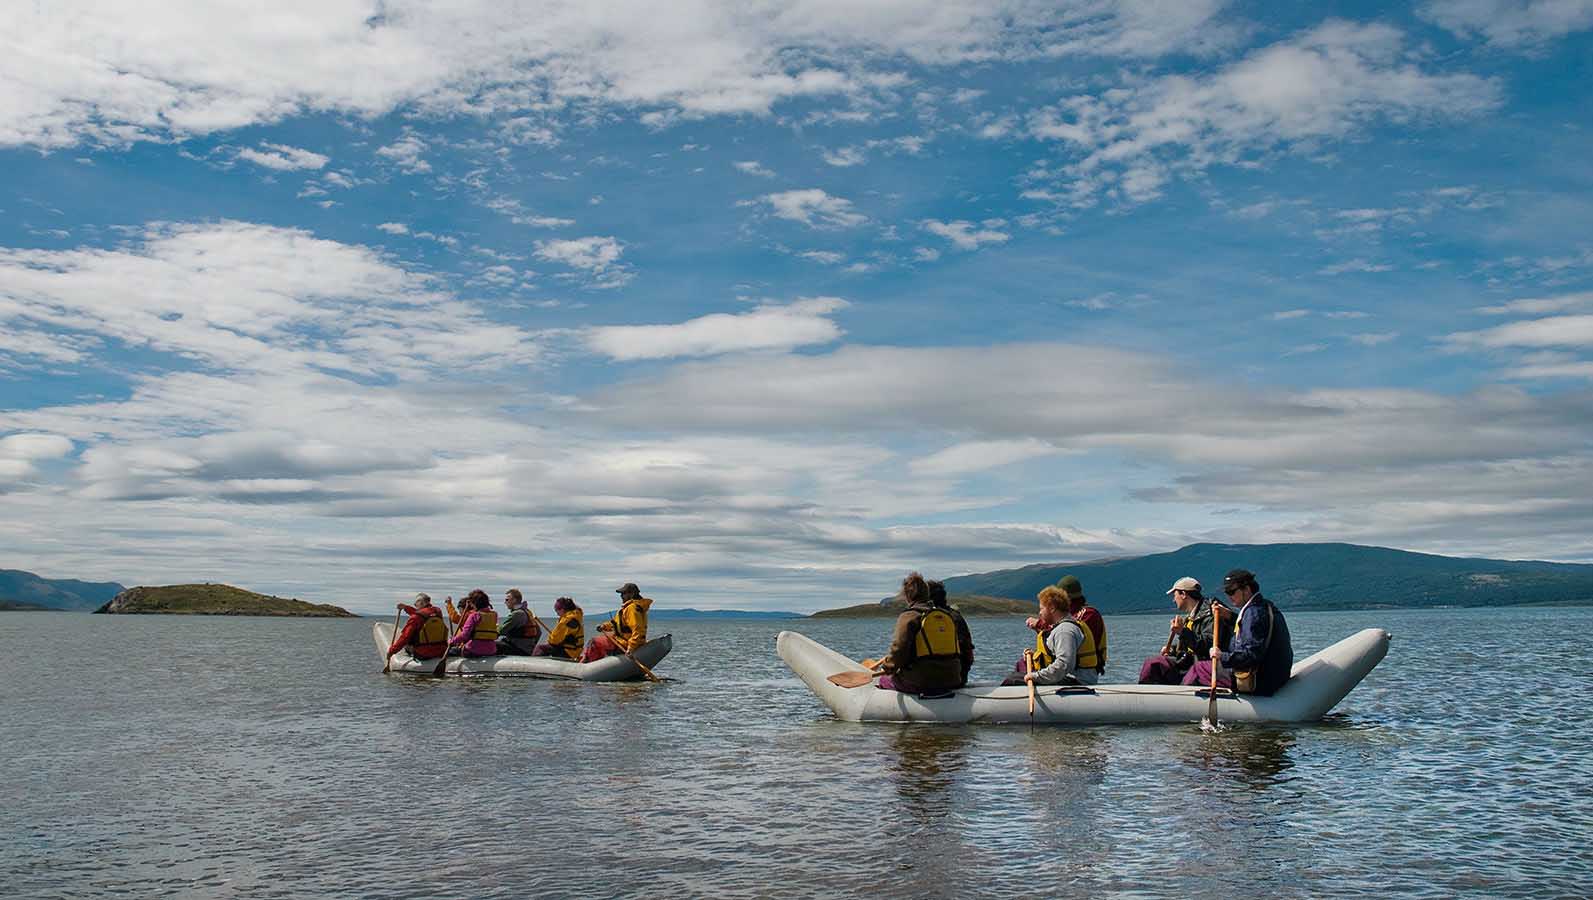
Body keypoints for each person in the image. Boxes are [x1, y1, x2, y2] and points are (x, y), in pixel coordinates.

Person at [1182, 569, 1293, 695]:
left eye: (1232, 592)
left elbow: (1251, 655)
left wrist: (1221, 656)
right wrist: (1229, 616)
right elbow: (1250, 630)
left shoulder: (1253, 613)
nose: (1229, 597)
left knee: (1199, 668)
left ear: (1246, 589)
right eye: (1226, 592)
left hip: (1260, 681)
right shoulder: (1263, 606)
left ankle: (1182, 703)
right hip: (1276, 676)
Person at [877, 572, 966, 695]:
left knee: (883, 680)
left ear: (908, 596)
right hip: (952, 680)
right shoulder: (944, 615)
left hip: (922, 682)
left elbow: (899, 647)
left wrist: (888, 667)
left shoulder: (909, 616)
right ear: (926, 593)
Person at [1139, 577, 1233, 684]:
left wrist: (1182, 632)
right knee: (1154, 663)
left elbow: (1207, 647)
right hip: (1189, 663)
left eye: (1175, 595)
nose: (1174, 600)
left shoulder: (1212, 613)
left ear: (1183, 594)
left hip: (1204, 667)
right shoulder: (1191, 616)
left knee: (1192, 674)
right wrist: (1173, 651)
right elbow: (1190, 647)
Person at [1014, 585, 1099, 686]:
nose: (1039, 613)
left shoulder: (1064, 631)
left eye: (1041, 609)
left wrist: (1036, 677)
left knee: (1012, 680)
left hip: (1076, 681)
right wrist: (1035, 656)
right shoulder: (1061, 628)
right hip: (1067, 677)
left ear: (1052, 608)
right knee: (1020, 666)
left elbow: (1064, 664)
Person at [581, 582, 652, 662]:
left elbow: (638, 630)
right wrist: (603, 626)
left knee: (593, 642)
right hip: (625, 641)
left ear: (631, 594)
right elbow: (615, 623)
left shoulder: (631, 609)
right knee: (603, 640)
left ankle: (585, 664)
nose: (621, 596)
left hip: (625, 644)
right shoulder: (632, 607)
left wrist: (631, 648)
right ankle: (595, 664)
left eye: (623, 593)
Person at [1055, 574, 1107, 677]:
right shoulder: (1064, 616)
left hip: (1080, 673)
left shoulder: (1088, 614)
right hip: (1065, 669)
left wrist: (1039, 624)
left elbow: (1069, 631)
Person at [927, 579, 975, 688]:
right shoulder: (957, 617)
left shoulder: (926, 620)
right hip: (959, 678)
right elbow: (969, 655)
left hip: (931, 680)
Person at [386, 593, 448, 662]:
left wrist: (391, 651)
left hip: (423, 653)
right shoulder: (438, 611)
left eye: (415, 604)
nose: (415, 605)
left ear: (421, 602)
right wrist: (406, 607)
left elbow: (405, 637)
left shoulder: (416, 617)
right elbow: (423, 614)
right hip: (442, 650)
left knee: (406, 644)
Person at [448, 591, 500, 657]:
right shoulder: (494, 615)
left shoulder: (474, 615)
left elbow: (464, 635)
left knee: (452, 651)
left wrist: (451, 641)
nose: (471, 605)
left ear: (475, 603)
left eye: (472, 603)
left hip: (473, 650)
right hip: (491, 650)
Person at [496, 589, 541, 656]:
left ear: (514, 600)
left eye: (507, 600)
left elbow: (502, 631)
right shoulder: (528, 612)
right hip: (528, 650)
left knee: (491, 645)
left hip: (519, 649)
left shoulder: (517, 614)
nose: (505, 602)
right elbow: (539, 632)